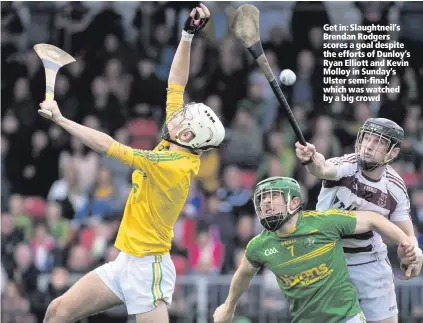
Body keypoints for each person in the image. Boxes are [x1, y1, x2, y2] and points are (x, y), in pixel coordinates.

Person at [39, 4, 224, 323]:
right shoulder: (178, 139)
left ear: (191, 135)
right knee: (58, 311)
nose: (176, 116)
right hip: (126, 261)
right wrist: (187, 35)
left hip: (147, 267)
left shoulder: (171, 163)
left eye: (183, 119)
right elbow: (176, 84)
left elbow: (109, 146)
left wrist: (62, 119)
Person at [213, 176, 418, 323]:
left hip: (348, 318)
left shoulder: (324, 223)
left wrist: (406, 243)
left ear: (294, 203)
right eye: (261, 199)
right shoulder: (259, 246)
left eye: (273, 196)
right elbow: (243, 274)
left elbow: (373, 219)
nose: (265, 202)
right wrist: (228, 306)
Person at [295, 117, 423, 323]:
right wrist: (310, 159)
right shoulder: (346, 166)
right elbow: (321, 168)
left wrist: (415, 255)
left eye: (378, 142)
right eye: (367, 139)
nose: (369, 147)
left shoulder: (395, 187)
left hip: (370, 262)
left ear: (394, 153)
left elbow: (408, 235)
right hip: (328, 258)